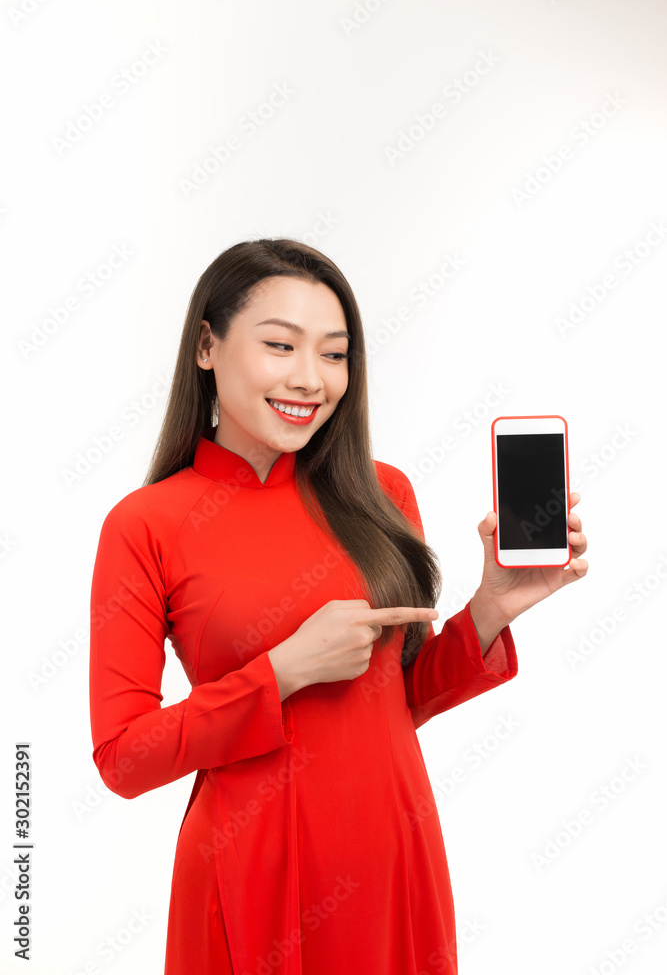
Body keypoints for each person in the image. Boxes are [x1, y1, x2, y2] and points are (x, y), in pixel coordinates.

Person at [88, 237, 588, 975]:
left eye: (333, 354)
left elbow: (391, 700)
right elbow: (124, 757)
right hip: (250, 868)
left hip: (392, 854)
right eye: (280, 346)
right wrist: (280, 672)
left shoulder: (382, 495)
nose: (309, 378)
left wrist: (490, 609)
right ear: (205, 345)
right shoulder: (145, 523)